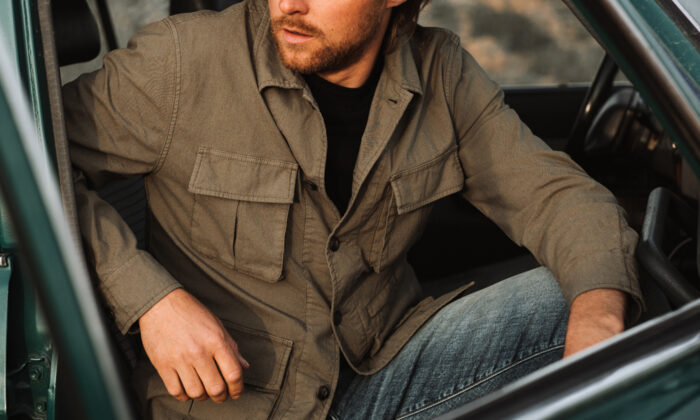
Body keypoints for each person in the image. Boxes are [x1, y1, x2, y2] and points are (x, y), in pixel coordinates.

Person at [63, 0, 643, 418]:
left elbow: (559, 197)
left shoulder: (441, 74)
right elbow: (30, 158)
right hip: (241, 406)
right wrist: (151, 300)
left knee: (600, 294)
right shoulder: (182, 62)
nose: (288, 5)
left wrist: (597, 326)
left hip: (380, 376)